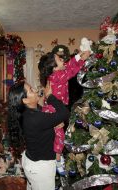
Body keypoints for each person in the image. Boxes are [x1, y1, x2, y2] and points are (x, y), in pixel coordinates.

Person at [38, 45, 91, 175]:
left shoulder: (56, 73)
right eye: (59, 60)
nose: (63, 60)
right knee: (59, 135)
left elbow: (69, 66)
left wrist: (80, 56)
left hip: (54, 108)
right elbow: (71, 70)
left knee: (58, 133)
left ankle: (55, 156)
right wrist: (81, 59)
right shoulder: (57, 76)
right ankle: (57, 159)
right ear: (54, 68)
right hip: (52, 109)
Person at [7, 81, 69, 190]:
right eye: (31, 90)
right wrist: (49, 96)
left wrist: (53, 124)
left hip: (32, 162)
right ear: (25, 100)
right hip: (41, 168)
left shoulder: (29, 112)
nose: (35, 90)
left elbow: (46, 119)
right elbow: (64, 113)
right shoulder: (33, 118)